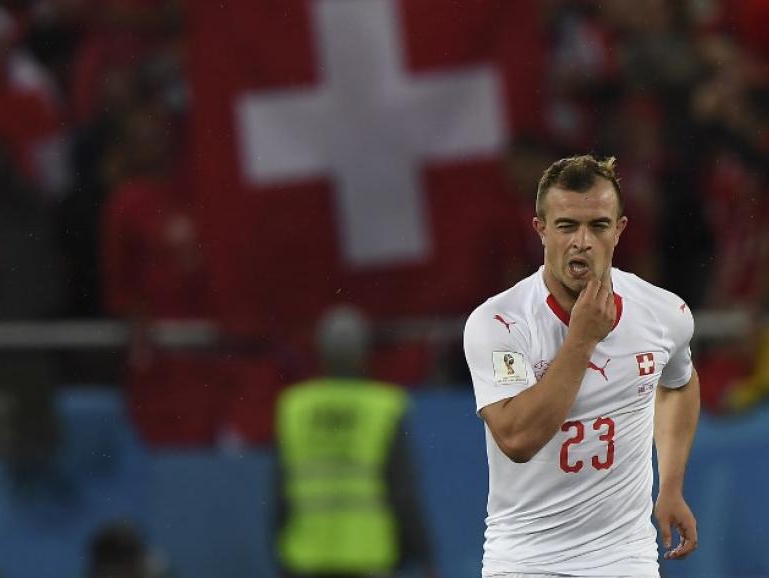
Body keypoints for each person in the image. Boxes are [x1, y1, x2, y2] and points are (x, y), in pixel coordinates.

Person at [463, 155, 700, 577]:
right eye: (567, 226)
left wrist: (672, 485)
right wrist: (582, 340)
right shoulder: (498, 323)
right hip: (525, 561)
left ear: (620, 229)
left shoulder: (665, 313)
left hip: (625, 558)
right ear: (540, 230)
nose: (582, 241)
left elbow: (679, 384)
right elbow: (517, 438)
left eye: (598, 226)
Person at [274, 305, 437, 578]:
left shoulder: (295, 407)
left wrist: (281, 552)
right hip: (368, 558)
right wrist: (423, 554)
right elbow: (402, 491)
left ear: (321, 353)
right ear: (363, 355)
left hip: (305, 560)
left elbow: (280, 494)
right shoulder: (384, 407)